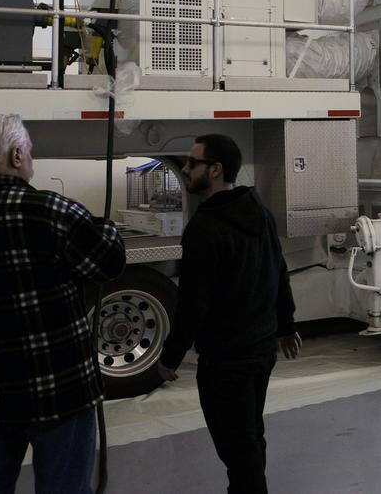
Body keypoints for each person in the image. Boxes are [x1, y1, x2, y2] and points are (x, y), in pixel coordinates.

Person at [0, 113, 125, 494]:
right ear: (16, 155)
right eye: (29, 151)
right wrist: (103, 225)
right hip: (59, 393)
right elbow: (108, 261)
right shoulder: (52, 211)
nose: (31, 158)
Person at [157, 134, 302, 494]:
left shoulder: (205, 228)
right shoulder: (259, 212)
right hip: (261, 351)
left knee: (238, 449)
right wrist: (285, 325)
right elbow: (278, 271)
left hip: (225, 362)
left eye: (193, 163)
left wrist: (170, 357)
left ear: (216, 169)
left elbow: (193, 301)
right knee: (251, 436)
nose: (186, 170)